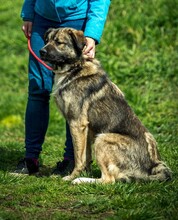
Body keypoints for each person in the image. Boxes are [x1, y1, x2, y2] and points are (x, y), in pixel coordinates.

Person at [13, 0, 110, 175]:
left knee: (75, 96)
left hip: (76, 19)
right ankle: (31, 158)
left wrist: (92, 33)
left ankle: (71, 160)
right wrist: (28, 14)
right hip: (42, 18)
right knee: (38, 89)